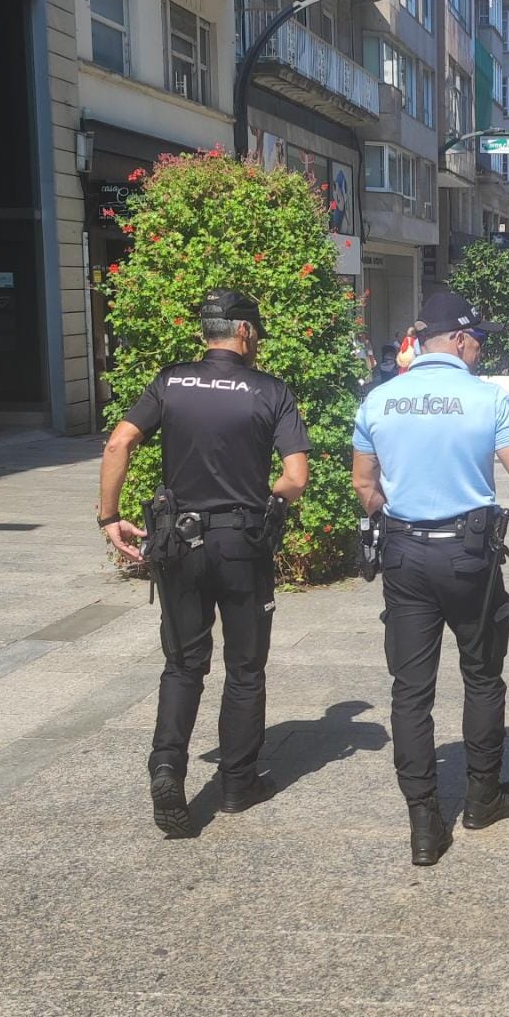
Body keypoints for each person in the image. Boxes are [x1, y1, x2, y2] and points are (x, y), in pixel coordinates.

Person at [97, 289, 310, 837]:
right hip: (242, 544)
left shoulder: (171, 382)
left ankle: (167, 766)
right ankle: (238, 782)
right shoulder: (270, 391)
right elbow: (296, 478)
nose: (257, 339)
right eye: (255, 331)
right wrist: (267, 502)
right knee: (244, 667)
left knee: (184, 664)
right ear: (242, 333)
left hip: (179, 543)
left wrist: (109, 517)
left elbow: (119, 443)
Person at [352, 291, 509, 867]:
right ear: (458, 341)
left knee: (410, 690)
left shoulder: (380, 399)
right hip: (470, 555)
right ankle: (483, 797)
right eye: (478, 338)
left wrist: (398, 519)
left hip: (406, 554)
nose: (481, 347)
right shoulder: (488, 400)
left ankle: (424, 821)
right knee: (482, 676)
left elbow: (365, 486)